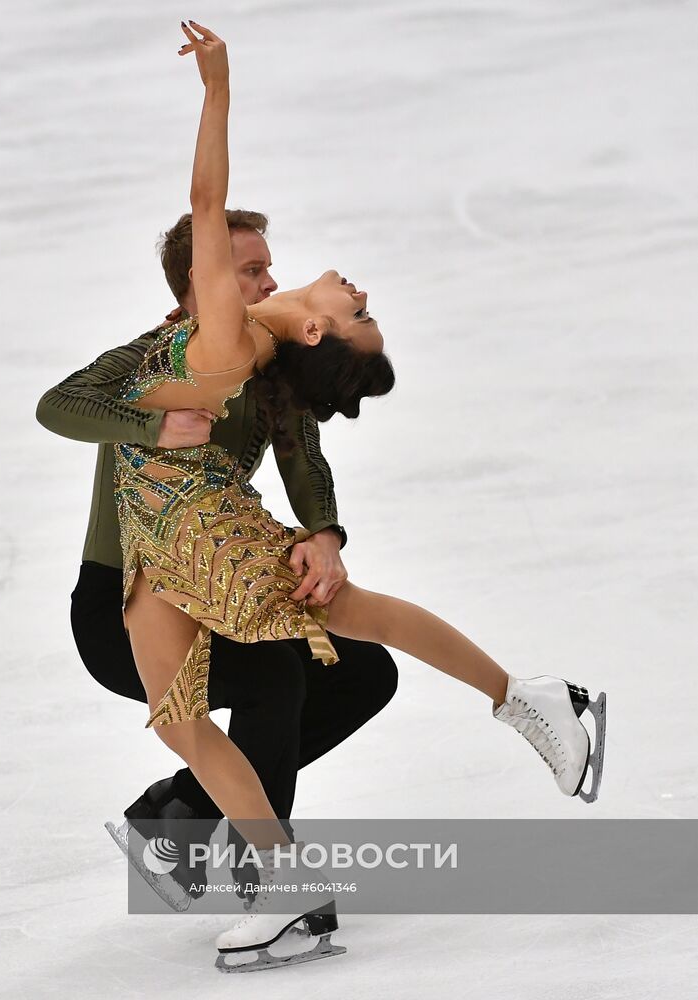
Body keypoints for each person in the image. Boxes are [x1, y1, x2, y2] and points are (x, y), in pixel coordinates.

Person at [90, 20, 604, 968]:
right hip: (153, 550)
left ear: (318, 334)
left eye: (355, 311)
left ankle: (529, 697)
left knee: (353, 617)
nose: (352, 288)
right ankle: (288, 890)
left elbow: (205, 200)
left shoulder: (226, 338)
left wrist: (216, 89)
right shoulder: (252, 346)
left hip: (203, 533)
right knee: (184, 722)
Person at [36, 208, 399, 916]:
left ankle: (186, 813)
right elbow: (60, 403)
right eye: (250, 270)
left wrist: (324, 533)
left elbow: (303, 458)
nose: (270, 281)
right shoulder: (158, 360)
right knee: (270, 675)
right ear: (199, 285)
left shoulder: (269, 363)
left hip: (218, 588)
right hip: (126, 609)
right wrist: (152, 423)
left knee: (361, 671)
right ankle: (268, 870)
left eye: (268, 266)